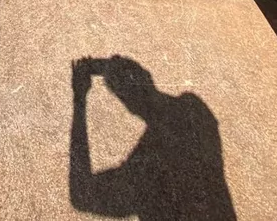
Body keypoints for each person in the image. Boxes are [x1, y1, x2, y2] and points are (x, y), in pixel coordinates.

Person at [69, 55, 236, 220]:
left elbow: (81, 195)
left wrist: (80, 100)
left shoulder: (148, 167)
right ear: (147, 78)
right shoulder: (194, 109)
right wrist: (102, 67)